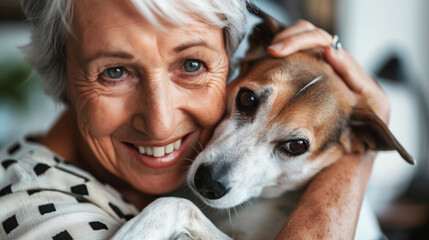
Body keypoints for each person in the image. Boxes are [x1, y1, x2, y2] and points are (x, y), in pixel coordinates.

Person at [0, 0, 389, 239]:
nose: (161, 122)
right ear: (60, 70)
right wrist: (359, 158)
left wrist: (361, 137)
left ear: (232, 60)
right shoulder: (29, 211)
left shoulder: (152, 183)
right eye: (114, 71)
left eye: (191, 64)